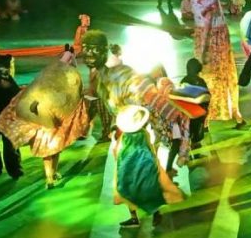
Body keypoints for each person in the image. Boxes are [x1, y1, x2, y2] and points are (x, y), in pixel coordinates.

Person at [81, 30, 192, 164]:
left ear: (104, 52)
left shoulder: (122, 74)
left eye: (94, 50)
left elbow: (161, 107)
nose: (89, 54)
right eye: (85, 48)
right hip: (132, 129)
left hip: (139, 127)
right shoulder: (101, 79)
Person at [0, 61, 93, 189]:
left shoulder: (46, 89)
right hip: (49, 127)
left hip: (46, 127)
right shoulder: (51, 90)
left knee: (51, 152)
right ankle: (50, 177)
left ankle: (51, 175)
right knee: (52, 152)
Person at [189, 0, 244, 127]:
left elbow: (206, 24)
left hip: (213, 39)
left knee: (214, 73)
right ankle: (229, 111)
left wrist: (202, 50)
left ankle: (213, 114)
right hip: (213, 36)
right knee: (220, 74)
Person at [112, 105, 184, 228]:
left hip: (128, 168)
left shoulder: (124, 137)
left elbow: (117, 151)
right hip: (146, 165)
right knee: (150, 188)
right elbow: (150, 149)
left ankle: (134, 218)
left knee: (128, 190)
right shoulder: (144, 133)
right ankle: (156, 213)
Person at [179, 58, 209, 153]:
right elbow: (206, 96)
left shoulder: (184, 80)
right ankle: (196, 149)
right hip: (198, 111)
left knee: (189, 129)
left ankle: (188, 147)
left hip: (187, 111)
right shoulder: (200, 81)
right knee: (197, 131)